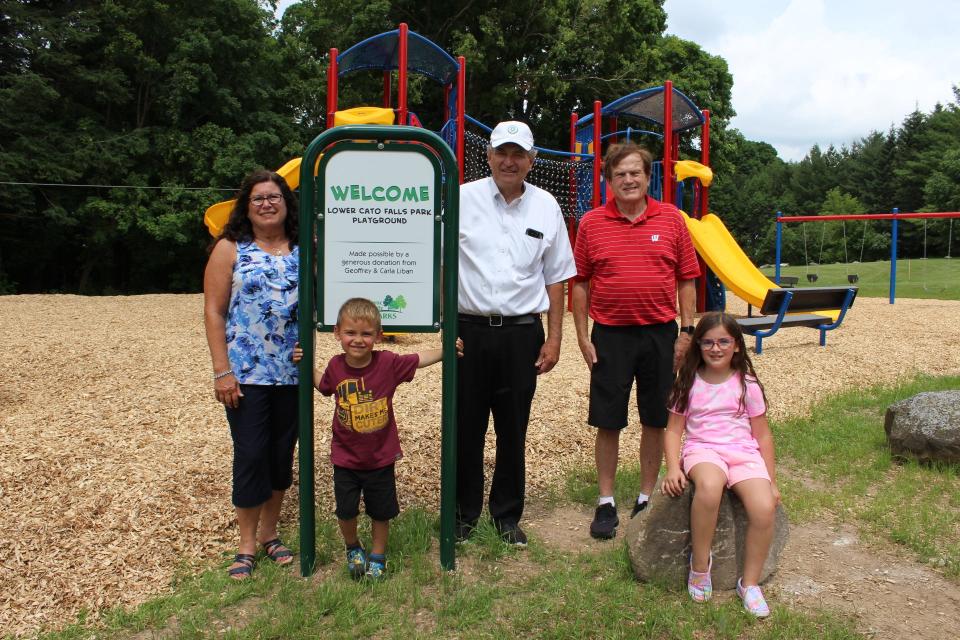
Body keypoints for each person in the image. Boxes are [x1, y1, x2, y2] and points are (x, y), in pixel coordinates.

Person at [572, 142, 700, 540]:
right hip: (609, 334)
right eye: (619, 174)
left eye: (635, 173)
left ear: (648, 177)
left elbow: (686, 278)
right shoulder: (592, 223)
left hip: (660, 334)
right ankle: (606, 501)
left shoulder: (673, 220)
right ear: (608, 181)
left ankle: (646, 497)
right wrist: (581, 336)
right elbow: (580, 283)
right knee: (607, 420)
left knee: (655, 418)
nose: (628, 179)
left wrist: (687, 331)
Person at [456, 120, 576, 545]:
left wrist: (556, 338)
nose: (509, 161)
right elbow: (434, 259)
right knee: (464, 428)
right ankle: (462, 516)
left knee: (513, 429)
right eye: (502, 152)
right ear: (488, 156)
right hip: (466, 331)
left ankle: (506, 517)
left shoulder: (547, 206)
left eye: (518, 154)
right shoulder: (462, 199)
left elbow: (557, 277)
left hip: (522, 334)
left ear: (532, 160)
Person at [295, 298, 462, 580]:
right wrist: (304, 362)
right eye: (350, 333)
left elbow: (418, 359)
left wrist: (446, 350)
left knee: (380, 511)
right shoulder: (335, 367)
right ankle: (352, 547)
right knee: (345, 510)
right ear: (337, 333)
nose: (357, 340)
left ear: (378, 335)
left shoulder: (387, 363)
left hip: (380, 457)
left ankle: (378, 555)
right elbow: (322, 385)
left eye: (366, 334)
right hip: (345, 458)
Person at [203, 169, 300, 580]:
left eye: (274, 197)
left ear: (285, 202)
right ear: (246, 205)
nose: (266, 204)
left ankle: (269, 533)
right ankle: (245, 543)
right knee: (251, 454)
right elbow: (214, 310)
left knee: (280, 456)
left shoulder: (303, 248)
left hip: (291, 373)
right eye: (258, 198)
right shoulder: (230, 248)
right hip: (245, 374)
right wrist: (221, 371)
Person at [661, 312, 779, 617]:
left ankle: (750, 583)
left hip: (742, 452)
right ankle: (700, 566)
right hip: (704, 450)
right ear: (698, 345)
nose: (716, 348)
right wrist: (673, 467)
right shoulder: (688, 381)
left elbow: (762, 435)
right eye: (708, 342)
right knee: (710, 488)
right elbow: (674, 430)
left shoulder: (747, 383)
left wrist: (771, 480)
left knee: (764, 506)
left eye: (724, 341)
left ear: (737, 345)